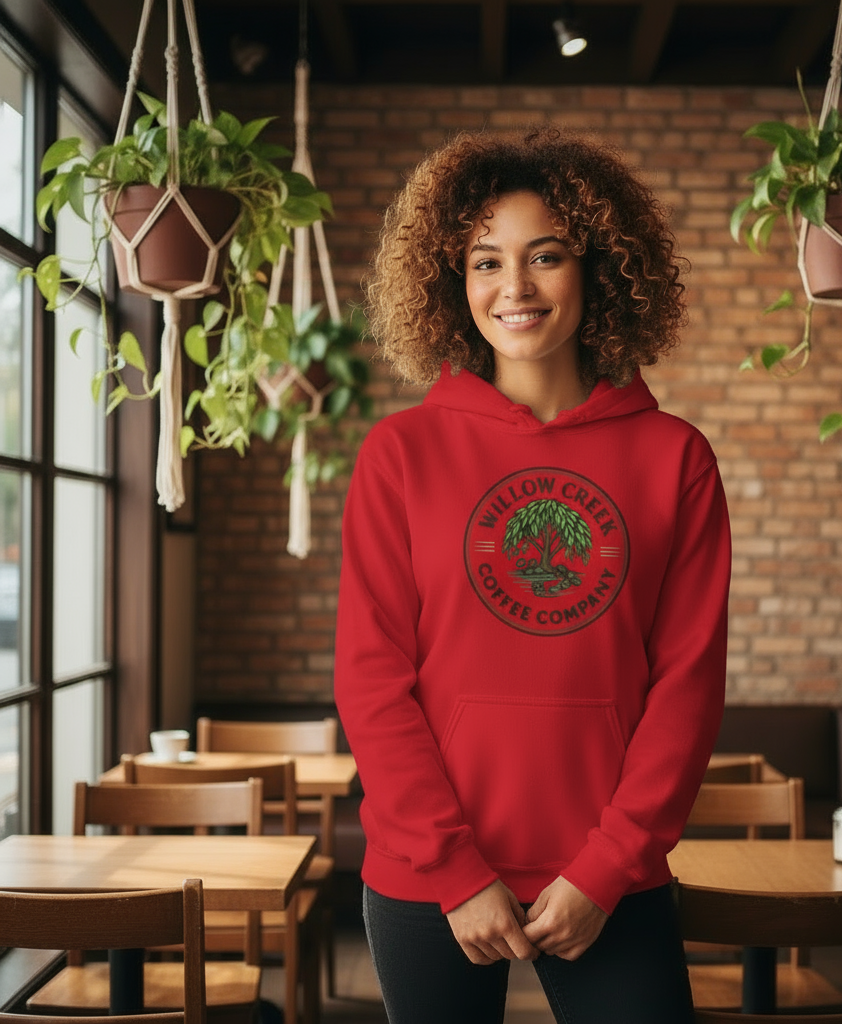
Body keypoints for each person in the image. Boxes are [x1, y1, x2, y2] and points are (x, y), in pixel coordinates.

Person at [334, 127, 731, 1024]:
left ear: (597, 270)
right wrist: (454, 872)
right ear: (453, 284)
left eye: (544, 256)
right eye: (484, 262)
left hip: (607, 878)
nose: (513, 288)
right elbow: (370, 681)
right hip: (429, 877)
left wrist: (604, 870)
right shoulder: (401, 454)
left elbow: (687, 687)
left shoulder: (675, 459)